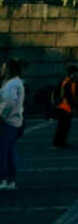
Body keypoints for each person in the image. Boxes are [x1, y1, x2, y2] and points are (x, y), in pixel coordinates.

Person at [0, 60, 24, 190]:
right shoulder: (15, 82)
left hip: (8, 121)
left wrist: (2, 115)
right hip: (13, 121)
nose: (2, 70)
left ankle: (4, 179)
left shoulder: (12, 84)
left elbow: (9, 102)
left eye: (3, 68)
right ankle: (10, 179)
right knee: (9, 152)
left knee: (4, 152)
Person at [51, 65, 78, 148]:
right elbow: (68, 96)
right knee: (63, 126)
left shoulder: (66, 81)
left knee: (63, 126)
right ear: (72, 74)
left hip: (63, 106)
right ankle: (59, 142)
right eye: (75, 73)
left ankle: (59, 142)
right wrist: (74, 106)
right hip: (64, 107)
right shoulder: (68, 82)